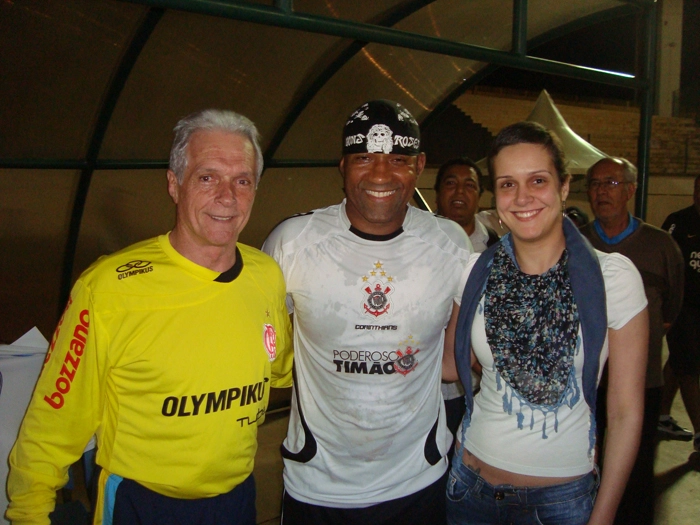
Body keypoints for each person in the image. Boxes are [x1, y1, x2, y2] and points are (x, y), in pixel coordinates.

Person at [6, 109, 293, 525]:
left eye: (242, 180)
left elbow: (281, 370)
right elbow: (53, 421)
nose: (227, 197)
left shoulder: (266, 275)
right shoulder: (110, 288)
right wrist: (29, 513)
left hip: (237, 499)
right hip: (142, 504)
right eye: (207, 177)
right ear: (174, 184)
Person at [263, 100, 473, 525]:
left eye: (398, 159)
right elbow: (265, 348)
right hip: (316, 485)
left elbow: (454, 364)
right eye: (364, 158)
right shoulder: (292, 243)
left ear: (419, 166)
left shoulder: (449, 244)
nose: (381, 174)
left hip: (418, 480)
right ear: (342, 166)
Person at [444, 122, 649, 525]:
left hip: (562, 502)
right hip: (470, 487)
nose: (522, 198)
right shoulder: (474, 273)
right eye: (507, 184)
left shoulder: (612, 278)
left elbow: (625, 412)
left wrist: (603, 516)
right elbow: (452, 364)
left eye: (537, 180)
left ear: (564, 186)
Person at [581, 156, 684, 525]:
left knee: (636, 474)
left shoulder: (660, 245)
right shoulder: (577, 245)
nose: (600, 192)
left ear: (630, 190)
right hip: (587, 382)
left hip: (642, 382)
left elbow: (670, 311)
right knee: (586, 467)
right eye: (594, 184)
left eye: (610, 183)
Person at [434, 157, 498, 446]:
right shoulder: (415, 243)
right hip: (421, 385)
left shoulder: (497, 250)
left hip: (476, 388)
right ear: (437, 192)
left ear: (480, 195)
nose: (459, 192)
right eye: (451, 184)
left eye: (469, 185)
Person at [658, 174, 700, 452]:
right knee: (690, 368)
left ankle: (660, 417)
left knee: (678, 361)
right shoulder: (678, 222)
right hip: (683, 310)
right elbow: (664, 265)